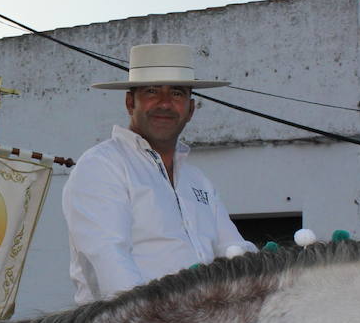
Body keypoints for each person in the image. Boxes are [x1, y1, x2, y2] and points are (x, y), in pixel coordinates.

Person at [64, 43, 254, 304]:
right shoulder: (102, 166)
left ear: (190, 109)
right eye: (152, 91)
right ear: (131, 102)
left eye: (177, 93)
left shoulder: (197, 180)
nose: (164, 103)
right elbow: (109, 263)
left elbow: (234, 251)